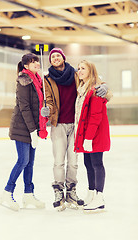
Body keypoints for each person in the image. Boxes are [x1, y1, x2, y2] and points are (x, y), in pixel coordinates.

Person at [41, 48, 110, 211]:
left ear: (63, 58)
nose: (55, 58)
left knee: (73, 162)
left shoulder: (75, 75)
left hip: (76, 125)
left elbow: (94, 83)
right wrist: (47, 111)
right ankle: (59, 191)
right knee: (59, 161)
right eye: (52, 56)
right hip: (58, 124)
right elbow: (49, 100)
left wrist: (106, 88)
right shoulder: (48, 79)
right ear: (50, 61)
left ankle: (72, 191)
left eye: (58, 55)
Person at [0, 53, 48, 211]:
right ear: (26, 65)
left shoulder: (37, 81)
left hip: (32, 127)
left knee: (30, 163)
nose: (37, 64)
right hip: (23, 128)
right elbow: (24, 107)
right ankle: (7, 192)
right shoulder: (24, 80)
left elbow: (37, 106)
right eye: (33, 62)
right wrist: (33, 131)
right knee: (23, 161)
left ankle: (28, 194)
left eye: (37, 62)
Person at [74, 60, 111, 212]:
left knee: (97, 164)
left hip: (94, 134)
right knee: (88, 164)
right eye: (78, 68)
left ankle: (99, 197)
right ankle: (91, 193)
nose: (79, 70)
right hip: (86, 134)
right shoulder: (82, 89)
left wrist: (88, 138)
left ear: (91, 71)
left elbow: (95, 117)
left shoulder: (96, 90)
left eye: (83, 68)